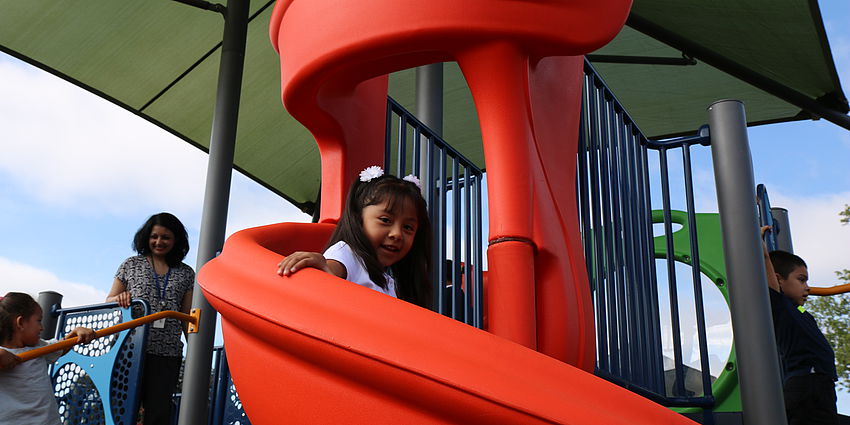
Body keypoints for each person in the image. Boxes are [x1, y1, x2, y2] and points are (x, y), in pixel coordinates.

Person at [277, 166, 433, 308]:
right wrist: (323, 266)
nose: (397, 234)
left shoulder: (388, 282)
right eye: (385, 220)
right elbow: (334, 268)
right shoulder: (349, 254)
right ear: (358, 218)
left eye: (408, 227)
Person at [106, 212, 195, 425]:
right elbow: (109, 299)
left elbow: (187, 316)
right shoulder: (130, 265)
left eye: (166, 237)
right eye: (154, 236)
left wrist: (195, 350)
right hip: (129, 348)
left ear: (176, 241)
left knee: (159, 412)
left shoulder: (186, 273)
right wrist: (120, 297)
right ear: (146, 237)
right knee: (122, 408)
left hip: (167, 351)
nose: (159, 242)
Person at [761, 227, 838, 425]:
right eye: (801, 280)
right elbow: (765, 262)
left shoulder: (800, 311)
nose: (808, 288)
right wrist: (758, 239)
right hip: (806, 383)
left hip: (820, 384)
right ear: (779, 280)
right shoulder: (780, 304)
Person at [0, 292, 96, 425]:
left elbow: (60, 348)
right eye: (38, 321)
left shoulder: (39, 347)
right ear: (21, 322)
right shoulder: (4, 353)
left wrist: (76, 333)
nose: (42, 327)